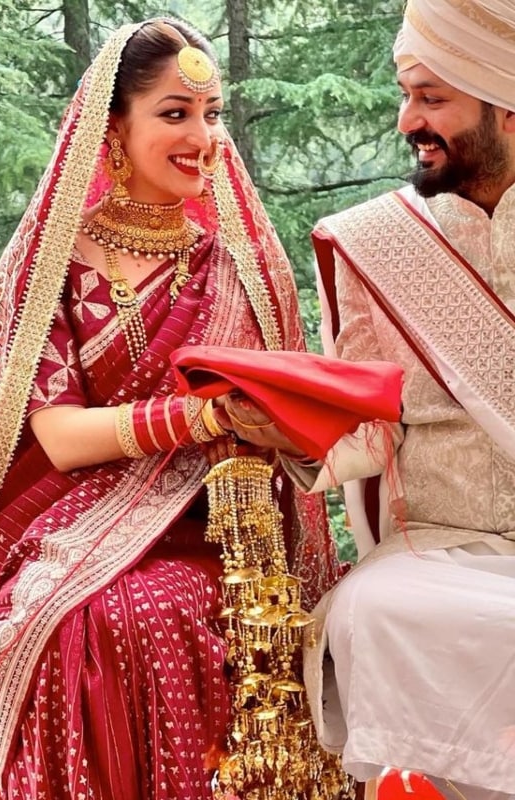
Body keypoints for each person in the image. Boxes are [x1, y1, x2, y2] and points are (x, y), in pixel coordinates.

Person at [0, 18, 341, 800]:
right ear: (112, 131)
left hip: (215, 535)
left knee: (145, 611)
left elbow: (286, 433)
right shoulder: (50, 269)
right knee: (96, 620)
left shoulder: (241, 271)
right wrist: (204, 417)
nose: (201, 136)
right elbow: (61, 440)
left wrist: (274, 425)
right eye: (174, 113)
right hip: (69, 528)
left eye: (210, 115)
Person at [257, 1, 515, 798]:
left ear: (505, 108)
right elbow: (368, 429)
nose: (409, 120)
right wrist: (281, 430)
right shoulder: (376, 242)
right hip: (437, 549)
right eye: (405, 95)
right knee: (383, 615)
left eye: (433, 98)